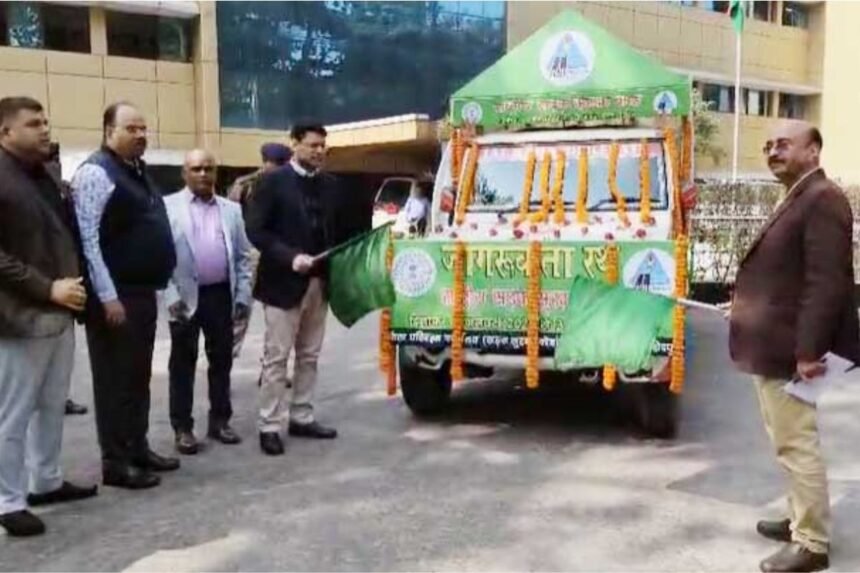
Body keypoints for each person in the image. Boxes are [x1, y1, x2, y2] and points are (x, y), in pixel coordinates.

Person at [729, 122, 859, 573]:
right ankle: (799, 517)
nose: (772, 151)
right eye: (768, 145)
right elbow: (783, 278)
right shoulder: (797, 195)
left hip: (794, 353)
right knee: (784, 440)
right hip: (775, 344)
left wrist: (809, 351)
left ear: (814, 150)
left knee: (796, 443)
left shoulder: (823, 199)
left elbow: (827, 285)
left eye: (783, 144)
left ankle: (812, 543)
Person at [0, 96, 98, 537]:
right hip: (20, 315)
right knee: (13, 412)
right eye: (33, 123)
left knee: (51, 404)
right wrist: (47, 287)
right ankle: (7, 500)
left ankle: (47, 480)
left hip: (62, 309)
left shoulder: (44, 176)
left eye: (45, 121)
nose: (44, 129)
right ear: (5, 133)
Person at [71, 102, 179, 490]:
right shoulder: (97, 172)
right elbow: (88, 239)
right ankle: (115, 462)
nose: (140, 134)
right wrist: (106, 295)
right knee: (114, 381)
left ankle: (137, 447)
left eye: (144, 128)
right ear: (108, 131)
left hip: (142, 293)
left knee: (137, 378)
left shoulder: (138, 172)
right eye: (131, 127)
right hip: (115, 298)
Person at [247, 124, 340, 456]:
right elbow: (256, 231)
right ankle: (269, 424)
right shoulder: (271, 182)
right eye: (313, 145)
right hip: (283, 283)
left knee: (310, 355)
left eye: (322, 145)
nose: (319, 151)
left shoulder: (330, 185)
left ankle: (302, 415)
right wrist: (290, 258)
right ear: (295, 145)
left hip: (319, 281)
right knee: (276, 359)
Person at [162, 150, 253, 455]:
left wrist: (242, 295)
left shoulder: (231, 210)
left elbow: (242, 257)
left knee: (222, 361)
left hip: (220, 295)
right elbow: (160, 260)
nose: (203, 174)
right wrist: (171, 297)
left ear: (216, 173)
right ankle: (183, 428)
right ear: (184, 173)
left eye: (209, 169)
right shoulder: (168, 207)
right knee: (182, 364)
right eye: (196, 168)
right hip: (184, 298)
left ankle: (220, 421)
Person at [228, 142, 291, 359]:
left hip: (275, 251)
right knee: (241, 308)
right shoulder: (246, 184)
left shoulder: (286, 184)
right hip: (253, 252)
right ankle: (225, 361)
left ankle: (271, 363)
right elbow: (231, 218)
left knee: (276, 313)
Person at [45, 141, 90, 417]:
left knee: (61, 353)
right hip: (35, 288)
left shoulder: (62, 189)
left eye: (56, 159)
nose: (53, 164)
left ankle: (60, 395)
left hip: (66, 285)